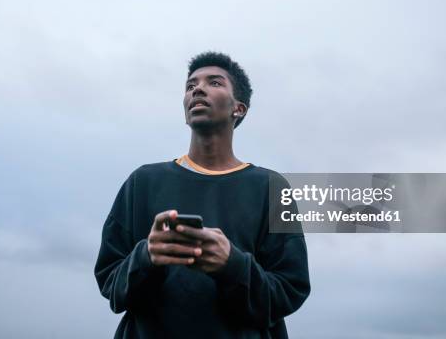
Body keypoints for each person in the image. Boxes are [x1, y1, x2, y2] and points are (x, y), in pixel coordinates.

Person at [94, 52, 310, 338]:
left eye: (215, 83)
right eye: (190, 85)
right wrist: (148, 255)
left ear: (239, 108)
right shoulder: (142, 181)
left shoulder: (272, 187)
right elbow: (110, 284)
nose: (198, 89)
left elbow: (290, 290)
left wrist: (231, 264)